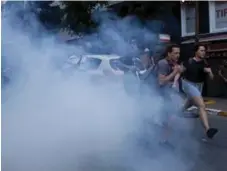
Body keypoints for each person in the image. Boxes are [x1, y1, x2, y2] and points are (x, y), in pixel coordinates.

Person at [180, 44, 218, 139]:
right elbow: (180, 71)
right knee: (201, 105)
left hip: (199, 85)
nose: (203, 52)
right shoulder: (189, 61)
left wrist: (210, 72)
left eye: (204, 51)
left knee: (190, 102)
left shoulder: (205, 63)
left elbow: (212, 78)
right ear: (196, 51)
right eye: (201, 50)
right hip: (188, 84)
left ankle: (176, 112)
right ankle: (207, 129)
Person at [156, 44, 182, 147]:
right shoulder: (163, 63)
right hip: (154, 93)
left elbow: (172, 79)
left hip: (164, 94)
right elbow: (161, 82)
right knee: (162, 119)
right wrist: (175, 72)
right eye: (175, 53)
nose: (178, 55)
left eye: (179, 53)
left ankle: (163, 141)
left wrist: (175, 79)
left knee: (170, 118)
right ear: (169, 53)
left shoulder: (173, 63)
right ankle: (158, 141)